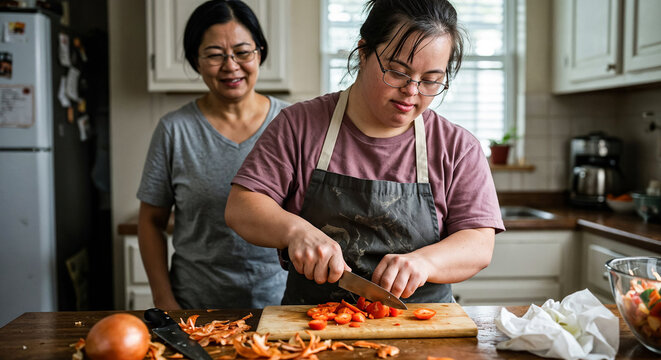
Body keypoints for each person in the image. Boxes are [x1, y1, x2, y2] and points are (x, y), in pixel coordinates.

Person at [225, 0, 505, 305]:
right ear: (363, 51)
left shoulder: (457, 146)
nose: (412, 91)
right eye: (398, 73)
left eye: (430, 81)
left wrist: (426, 263)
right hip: (313, 329)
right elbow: (242, 206)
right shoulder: (299, 125)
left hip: (423, 332)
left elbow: (479, 243)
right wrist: (295, 231)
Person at [137, 0, 288, 309]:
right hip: (196, 304)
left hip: (281, 304)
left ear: (260, 51)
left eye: (243, 52)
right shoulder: (174, 130)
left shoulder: (291, 123)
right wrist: (164, 301)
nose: (231, 66)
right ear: (196, 60)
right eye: (215, 55)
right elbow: (151, 221)